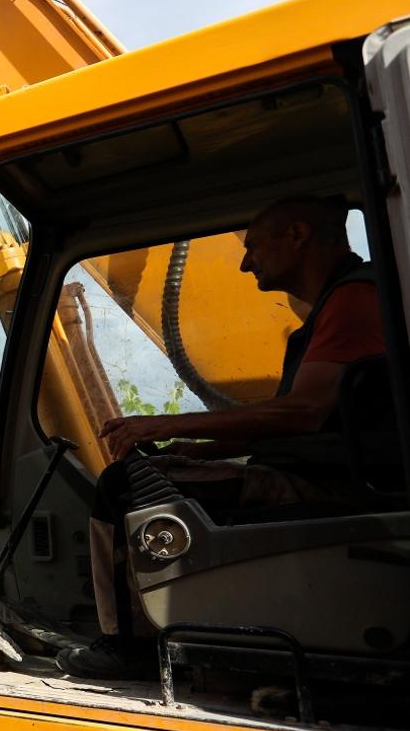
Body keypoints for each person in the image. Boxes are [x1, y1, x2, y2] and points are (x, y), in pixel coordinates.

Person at [57, 195, 385, 678]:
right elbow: (318, 422)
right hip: (328, 468)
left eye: (253, 247)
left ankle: (129, 645)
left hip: (333, 486)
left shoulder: (354, 301)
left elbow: (305, 412)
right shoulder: (345, 300)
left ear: (297, 236)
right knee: (154, 474)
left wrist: (164, 424)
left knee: (121, 486)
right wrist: (204, 449)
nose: (245, 262)